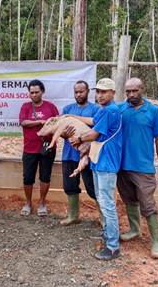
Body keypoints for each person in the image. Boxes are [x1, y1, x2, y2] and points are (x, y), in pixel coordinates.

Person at [70, 78, 122, 260]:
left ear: (113, 93)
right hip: (99, 161)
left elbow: (94, 133)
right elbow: (92, 120)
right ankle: (108, 236)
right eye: (98, 92)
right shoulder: (103, 110)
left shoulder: (111, 111)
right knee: (102, 199)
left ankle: (113, 246)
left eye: (104, 92)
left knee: (107, 204)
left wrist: (79, 139)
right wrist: (73, 117)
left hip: (107, 163)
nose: (100, 95)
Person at [117, 77, 158, 259]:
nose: (130, 94)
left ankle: (156, 241)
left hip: (143, 167)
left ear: (142, 89)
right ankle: (134, 229)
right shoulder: (120, 109)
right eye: (128, 92)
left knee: (147, 203)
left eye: (134, 91)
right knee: (129, 199)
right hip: (122, 166)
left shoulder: (153, 111)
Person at [60, 80, 99, 225]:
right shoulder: (67, 109)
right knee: (69, 185)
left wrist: (82, 138)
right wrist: (66, 134)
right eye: (76, 92)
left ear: (88, 91)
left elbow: (98, 128)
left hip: (89, 155)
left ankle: (103, 217)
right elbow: (61, 129)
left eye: (81, 91)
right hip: (69, 154)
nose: (78, 94)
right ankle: (73, 216)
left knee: (92, 187)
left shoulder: (96, 109)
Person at [19, 79, 59, 217]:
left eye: (37, 92)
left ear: (42, 91)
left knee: (45, 177)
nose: (34, 95)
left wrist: (50, 127)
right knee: (28, 178)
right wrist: (40, 122)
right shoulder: (25, 106)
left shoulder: (51, 107)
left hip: (47, 148)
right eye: (31, 92)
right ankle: (28, 203)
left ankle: (42, 203)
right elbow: (23, 122)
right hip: (29, 148)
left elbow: (57, 123)